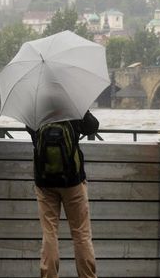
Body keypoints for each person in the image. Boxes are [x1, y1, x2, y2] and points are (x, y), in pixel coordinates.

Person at [26, 110, 99, 278]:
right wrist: (82, 111)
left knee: (49, 232)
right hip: (73, 181)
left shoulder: (36, 105)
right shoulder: (72, 104)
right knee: (81, 233)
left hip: (44, 181)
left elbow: (31, 132)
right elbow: (93, 127)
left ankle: (49, 275)